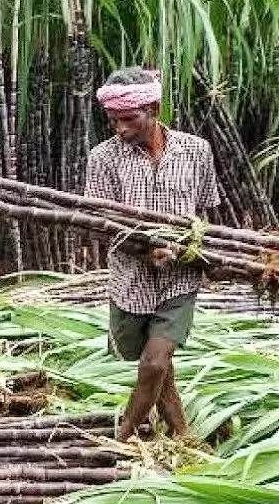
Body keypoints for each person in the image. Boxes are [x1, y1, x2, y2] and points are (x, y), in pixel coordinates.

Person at [83, 67, 220, 442]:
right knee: (155, 365)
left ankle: (123, 436)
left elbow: (205, 212)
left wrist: (201, 255)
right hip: (130, 281)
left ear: (154, 109)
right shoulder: (103, 158)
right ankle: (182, 434)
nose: (120, 128)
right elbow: (103, 225)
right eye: (113, 120)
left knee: (155, 361)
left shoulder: (196, 151)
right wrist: (145, 252)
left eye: (129, 119)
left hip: (180, 278)